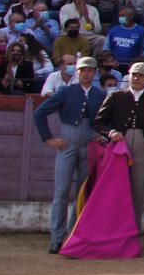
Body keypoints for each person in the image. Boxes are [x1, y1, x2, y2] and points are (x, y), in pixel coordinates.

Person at [33, 56, 107, 254]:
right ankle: (57, 238)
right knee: (61, 191)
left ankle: (75, 235)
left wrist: (103, 136)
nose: (86, 73)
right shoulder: (66, 92)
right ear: (78, 72)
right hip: (67, 144)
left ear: (95, 73)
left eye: (90, 70)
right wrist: (48, 138)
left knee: (82, 193)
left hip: (89, 146)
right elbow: (39, 113)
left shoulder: (100, 95)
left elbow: (106, 121)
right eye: (83, 70)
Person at [93, 60, 144, 234]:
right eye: (134, 74)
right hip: (119, 145)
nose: (136, 78)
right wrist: (111, 132)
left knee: (137, 190)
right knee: (115, 189)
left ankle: (131, 233)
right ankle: (110, 230)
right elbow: (99, 122)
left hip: (143, 144)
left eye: (140, 75)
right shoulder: (116, 96)